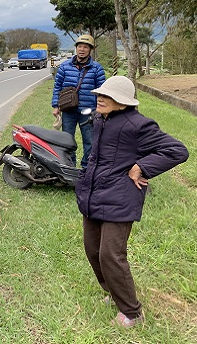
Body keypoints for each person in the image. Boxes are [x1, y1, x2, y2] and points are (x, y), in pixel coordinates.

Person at [75, 76, 189, 328]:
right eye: (100, 94)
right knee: (92, 250)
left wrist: (141, 166)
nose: (100, 98)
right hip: (94, 193)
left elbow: (177, 151)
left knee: (111, 255)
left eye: (108, 96)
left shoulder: (138, 125)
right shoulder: (99, 119)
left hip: (120, 197)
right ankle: (114, 293)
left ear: (123, 103)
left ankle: (132, 312)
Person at [51, 34, 106, 168]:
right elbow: (57, 86)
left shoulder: (97, 68)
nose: (82, 49)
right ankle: (69, 166)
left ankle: (86, 168)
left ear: (90, 50)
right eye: (80, 46)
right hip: (68, 109)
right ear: (76, 48)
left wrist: (101, 109)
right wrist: (56, 105)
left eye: (85, 47)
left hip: (88, 110)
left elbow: (102, 89)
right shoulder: (64, 67)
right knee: (67, 140)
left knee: (90, 141)